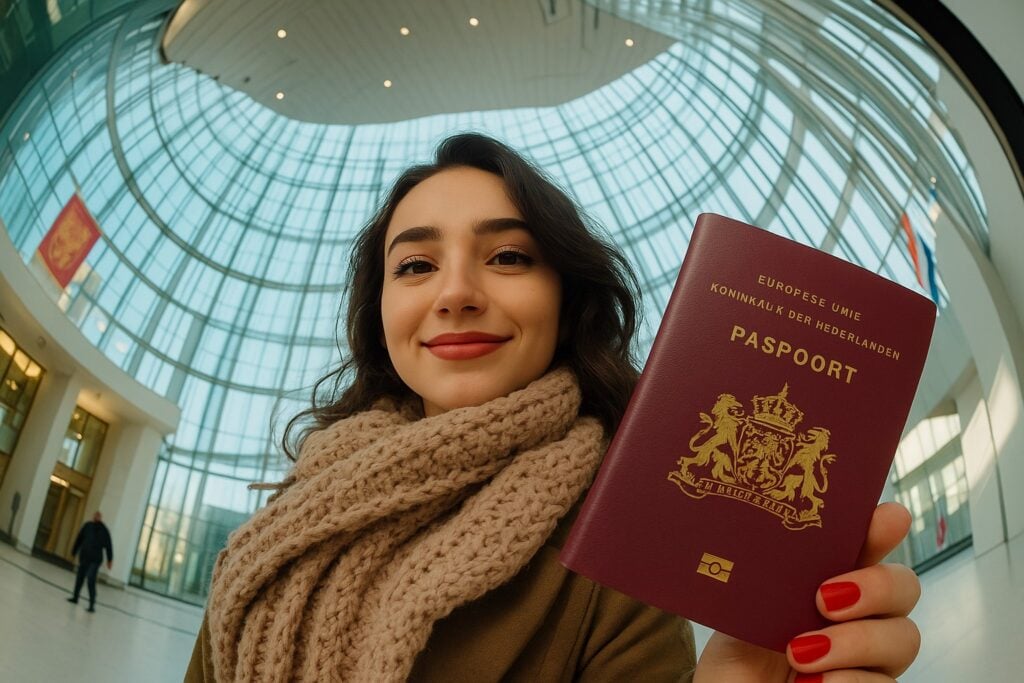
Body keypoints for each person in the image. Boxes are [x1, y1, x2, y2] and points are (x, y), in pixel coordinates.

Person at [187, 133, 921, 681]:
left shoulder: (617, 552)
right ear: (378, 310)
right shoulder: (294, 520)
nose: (456, 292)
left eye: (508, 256)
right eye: (415, 265)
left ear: (565, 298)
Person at [67, 510, 113, 613]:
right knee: (80, 577)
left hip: (95, 560)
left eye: (99, 515)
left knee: (91, 579)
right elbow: (79, 539)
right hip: (84, 557)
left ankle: (92, 605)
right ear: (93, 516)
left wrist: (110, 560)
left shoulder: (104, 530)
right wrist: (74, 552)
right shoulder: (87, 526)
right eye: (95, 515)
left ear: (101, 517)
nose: (97, 516)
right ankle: (75, 598)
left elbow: (109, 546)